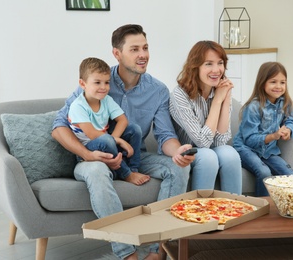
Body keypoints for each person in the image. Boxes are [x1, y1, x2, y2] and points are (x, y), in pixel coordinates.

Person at [52, 24, 194, 260]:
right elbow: (58, 128)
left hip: (134, 156)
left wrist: (178, 151)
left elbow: (165, 136)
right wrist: (87, 155)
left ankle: (155, 251)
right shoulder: (97, 80)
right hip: (94, 156)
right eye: (135, 49)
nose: (143, 55)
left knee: (178, 168)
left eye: (146, 48)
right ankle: (126, 253)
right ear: (117, 54)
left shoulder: (158, 90)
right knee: (97, 171)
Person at [169, 40, 242, 194]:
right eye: (208, 64)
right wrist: (217, 101)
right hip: (187, 151)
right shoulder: (180, 94)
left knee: (230, 154)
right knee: (208, 156)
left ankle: (235, 209)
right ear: (195, 67)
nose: (216, 70)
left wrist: (226, 98)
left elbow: (221, 141)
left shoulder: (221, 89)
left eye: (220, 63)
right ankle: (201, 212)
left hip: (209, 148)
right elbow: (202, 142)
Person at [68, 57, 149, 185]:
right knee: (106, 139)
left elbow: (123, 120)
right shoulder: (78, 106)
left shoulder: (106, 100)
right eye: (97, 82)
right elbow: (92, 134)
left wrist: (114, 138)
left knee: (135, 129)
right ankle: (126, 174)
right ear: (83, 84)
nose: (103, 87)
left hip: (107, 141)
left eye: (106, 82)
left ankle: (133, 169)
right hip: (88, 148)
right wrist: (117, 140)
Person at [233, 62, 293, 197]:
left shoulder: (285, 103)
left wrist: (289, 130)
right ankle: (263, 206)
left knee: (291, 176)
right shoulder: (253, 107)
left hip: (268, 151)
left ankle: (291, 205)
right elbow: (250, 140)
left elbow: (290, 120)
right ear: (263, 83)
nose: (278, 86)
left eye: (282, 82)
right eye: (273, 82)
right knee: (264, 172)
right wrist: (274, 136)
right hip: (246, 149)